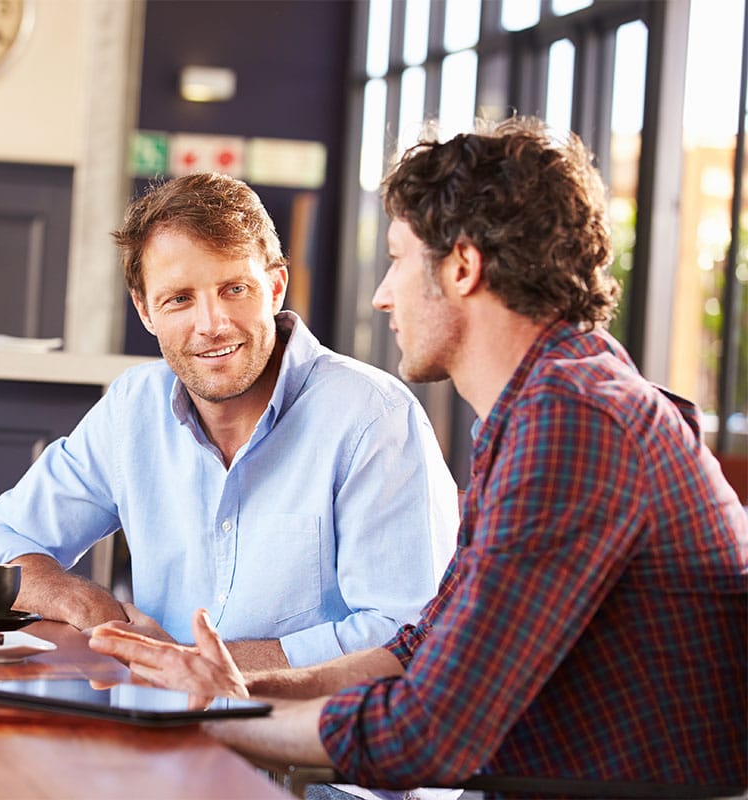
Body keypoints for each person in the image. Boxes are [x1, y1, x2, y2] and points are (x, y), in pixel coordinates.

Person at [89, 116, 748, 795]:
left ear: (462, 267)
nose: (382, 295)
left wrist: (224, 720)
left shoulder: (575, 420)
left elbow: (426, 734)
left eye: (400, 259)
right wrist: (234, 689)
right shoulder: (549, 405)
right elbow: (418, 652)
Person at [0, 173, 459, 670]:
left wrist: (197, 664)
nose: (211, 324)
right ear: (145, 310)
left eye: (234, 288)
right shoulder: (135, 404)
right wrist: (90, 609)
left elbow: (409, 632)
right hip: (155, 721)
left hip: (304, 736)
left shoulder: (374, 416)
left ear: (276, 286)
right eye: (179, 298)